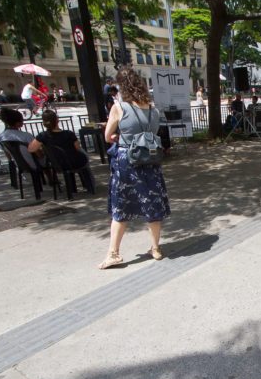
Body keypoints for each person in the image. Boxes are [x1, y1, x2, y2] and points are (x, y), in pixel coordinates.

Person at [101, 67, 170, 269]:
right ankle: (156, 248)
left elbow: (107, 137)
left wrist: (120, 137)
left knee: (121, 207)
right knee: (152, 205)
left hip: (127, 163)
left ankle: (113, 253)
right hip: (150, 162)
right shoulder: (153, 109)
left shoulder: (119, 107)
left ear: (122, 87)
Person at [29, 110, 92, 177]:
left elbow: (31, 149)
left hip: (56, 164)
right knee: (84, 155)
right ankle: (89, 184)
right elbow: (77, 148)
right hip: (74, 162)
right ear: (57, 120)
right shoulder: (69, 134)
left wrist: (42, 149)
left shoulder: (42, 136)